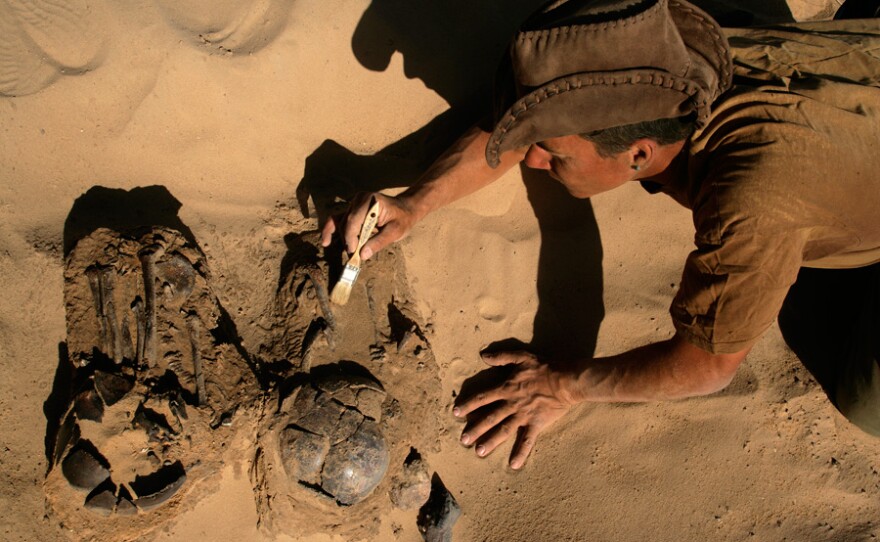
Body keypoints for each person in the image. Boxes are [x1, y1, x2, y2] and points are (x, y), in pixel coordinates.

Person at [321, 0, 880, 470]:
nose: (533, 160)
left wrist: (563, 386)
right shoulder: (664, 55)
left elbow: (706, 366)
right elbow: (537, 121)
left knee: (863, 396)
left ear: (640, 154)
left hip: (822, 173)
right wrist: (415, 202)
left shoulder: (751, 205)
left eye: (554, 153)